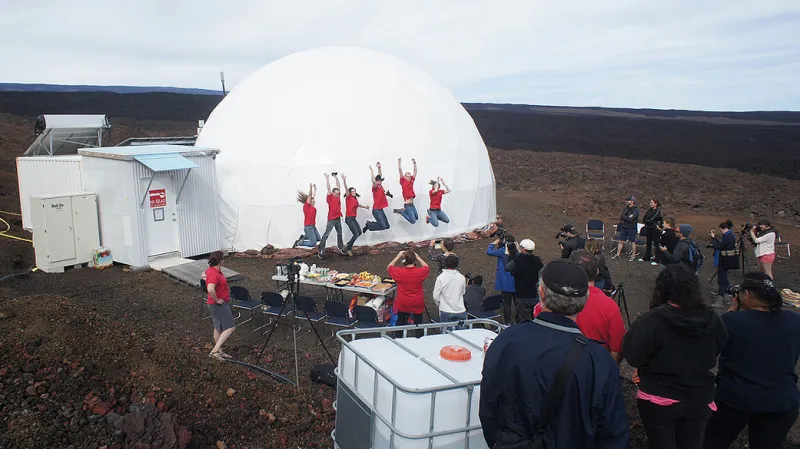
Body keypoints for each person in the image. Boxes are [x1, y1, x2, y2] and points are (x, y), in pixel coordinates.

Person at [480, 259, 629, 449]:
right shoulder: (598, 360)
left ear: (541, 293)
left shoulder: (507, 341)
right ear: (583, 302)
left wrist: (501, 441)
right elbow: (613, 432)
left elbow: (489, 407)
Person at [623, 264, 728, 449]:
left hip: (659, 395)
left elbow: (633, 356)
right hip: (699, 396)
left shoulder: (651, 320)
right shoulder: (713, 319)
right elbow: (720, 345)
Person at [703, 272, 800, 449]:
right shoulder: (795, 320)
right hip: (783, 400)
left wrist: (731, 312)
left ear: (746, 295)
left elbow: (708, 352)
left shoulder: (733, 320)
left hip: (737, 397)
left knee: (713, 440)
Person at [533, 250, 625, 364]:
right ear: (596, 272)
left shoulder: (550, 300)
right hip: (594, 367)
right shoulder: (609, 306)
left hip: (554, 365)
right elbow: (617, 349)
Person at [205, 251, 236, 361]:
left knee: (218, 328)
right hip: (218, 305)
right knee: (230, 327)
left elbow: (204, 275)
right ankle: (214, 351)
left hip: (213, 304)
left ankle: (220, 352)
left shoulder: (211, 270)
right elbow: (210, 289)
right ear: (221, 261)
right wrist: (217, 299)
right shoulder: (214, 273)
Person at [504, 238, 544, 322]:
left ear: (523, 249)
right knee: (536, 317)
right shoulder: (537, 260)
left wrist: (507, 255)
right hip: (535, 294)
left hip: (522, 295)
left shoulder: (517, 261)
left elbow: (507, 268)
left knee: (524, 319)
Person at [387, 250, 429, 328]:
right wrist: (418, 257)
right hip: (417, 301)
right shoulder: (420, 272)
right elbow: (426, 267)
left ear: (405, 260)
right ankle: (419, 338)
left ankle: (399, 337)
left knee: (400, 322)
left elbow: (389, 267)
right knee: (418, 324)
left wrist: (398, 256)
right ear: (414, 260)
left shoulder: (399, 272)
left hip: (403, 302)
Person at [487, 235, 517, 325]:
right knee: (517, 302)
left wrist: (493, 243)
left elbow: (489, 252)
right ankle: (519, 319)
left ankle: (507, 322)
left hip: (505, 282)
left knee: (507, 303)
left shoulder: (502, 251)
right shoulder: (518, 252)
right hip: (516, 281)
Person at [341, 174, 370, 256]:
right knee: (356, 233)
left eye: (355, 191)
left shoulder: (354, 199)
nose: (354, 192)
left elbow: (358, 205)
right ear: (350, 192)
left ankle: (347, 245)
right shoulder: (348, 197)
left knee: (359, 232)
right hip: (349, 218)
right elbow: (346, 189)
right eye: (352, 191)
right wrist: (344, 181)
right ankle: (348, 248)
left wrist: (365, 207)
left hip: (353, 218)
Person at [710, 220, 739, 300]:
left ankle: (721, 295)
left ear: (725, 228)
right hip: (726, 259)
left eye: (721, 230)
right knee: (724, 276)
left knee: (721, 278)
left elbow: (717, 246)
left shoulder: (728, 237)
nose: (721, 232)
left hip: (724, 260)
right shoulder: (729, 235)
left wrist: (713, 238)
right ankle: (725, 292)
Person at [433, 255, 467, 324]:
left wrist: (439, 304)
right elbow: (463, 292)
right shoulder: (462, 277)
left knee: (446, 334)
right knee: (461, 334)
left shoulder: (441, 277)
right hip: (460, 310)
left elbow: (435, 296)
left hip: (445, 310)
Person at [318, 173, 345, 258]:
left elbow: (338, 186)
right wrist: (327, 178)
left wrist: (336, 177)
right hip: (331, 219)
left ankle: (340, 247)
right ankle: (321, 249)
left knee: (339, 232)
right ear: (332, 193)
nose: (337, 194)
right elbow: (329, 188)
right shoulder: (330, 197)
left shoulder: (337, 196)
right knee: (326, 234)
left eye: (338, 193)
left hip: (337, 218)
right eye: (336, 193)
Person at [364, 162, 391, 232]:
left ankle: (369, 225)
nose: (379, 182)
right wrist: (372, 171)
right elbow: (373, 180)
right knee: (383, 226)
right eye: (378, 181)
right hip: (376, 209)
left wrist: (379, 168)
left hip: (380, 209)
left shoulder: (381, 186)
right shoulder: (375, 188)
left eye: (380, 181)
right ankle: (369, 225)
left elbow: (380, 175)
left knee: (387, 226)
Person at [292, 183, 320, 248]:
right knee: (313, 243)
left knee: (319, 238)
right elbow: (310, 196)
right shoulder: (306, 207)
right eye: (312, 202)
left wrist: (315, 190)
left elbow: (312, 197)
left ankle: (304, 237)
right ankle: (300, 243)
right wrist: (310, 188)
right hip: (309, 227)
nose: (314, 202)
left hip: (313, 226)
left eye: (314, 201)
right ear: (308, 202)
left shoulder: (312, 207)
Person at [614, 195, 640, 261]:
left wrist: (624, 217)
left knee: (632, 242)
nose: (627, 201)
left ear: (632, 201)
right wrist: (624, 217)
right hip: (624, 226)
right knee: (621, 240)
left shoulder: (635, 210)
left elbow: (630, 219)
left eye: (629, 200)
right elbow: (622, 217)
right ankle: (618, 254)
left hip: (632, 228)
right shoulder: (626, 208)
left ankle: (633, 255)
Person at [393, 158, 418, 224]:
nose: (409, 177)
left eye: (410, 176)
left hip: (412, 204)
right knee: (413, 221)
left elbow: (415, 171)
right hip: (407, 205)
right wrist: (399, 162)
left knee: (417, 218)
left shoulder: (411, 181)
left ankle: (404, 211)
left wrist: (414, 163)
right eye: (407, 176)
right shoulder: (403, 181)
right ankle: (402, 212)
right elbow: (400, 170)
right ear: (405, 177)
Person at [640, 199, 663, 265]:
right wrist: (646, 221)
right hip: (649, 228)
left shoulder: (657, 211)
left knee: (656, 244)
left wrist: (647, 221)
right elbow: (644, 218)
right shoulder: (649, 210)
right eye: (650, 202)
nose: (650, 203)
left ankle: (657, 259)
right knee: (648, 243)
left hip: (655, 229)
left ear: (656, 204)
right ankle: (647, 257)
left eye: (652, 202)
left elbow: (652, 219)